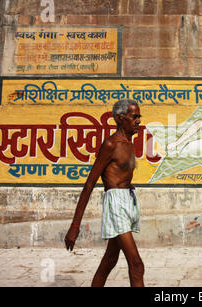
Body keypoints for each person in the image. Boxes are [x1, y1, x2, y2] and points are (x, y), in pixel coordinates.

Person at [64, 99, 144, 287]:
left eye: (139, 116)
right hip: (116, 203)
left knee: (109, 261)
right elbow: (90, 183)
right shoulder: (111, 144)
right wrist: (75, 226)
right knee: (137, 265)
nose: (138, 120)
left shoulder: (129, 143)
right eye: (134, 117)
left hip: (128, 200)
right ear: (120, 118)